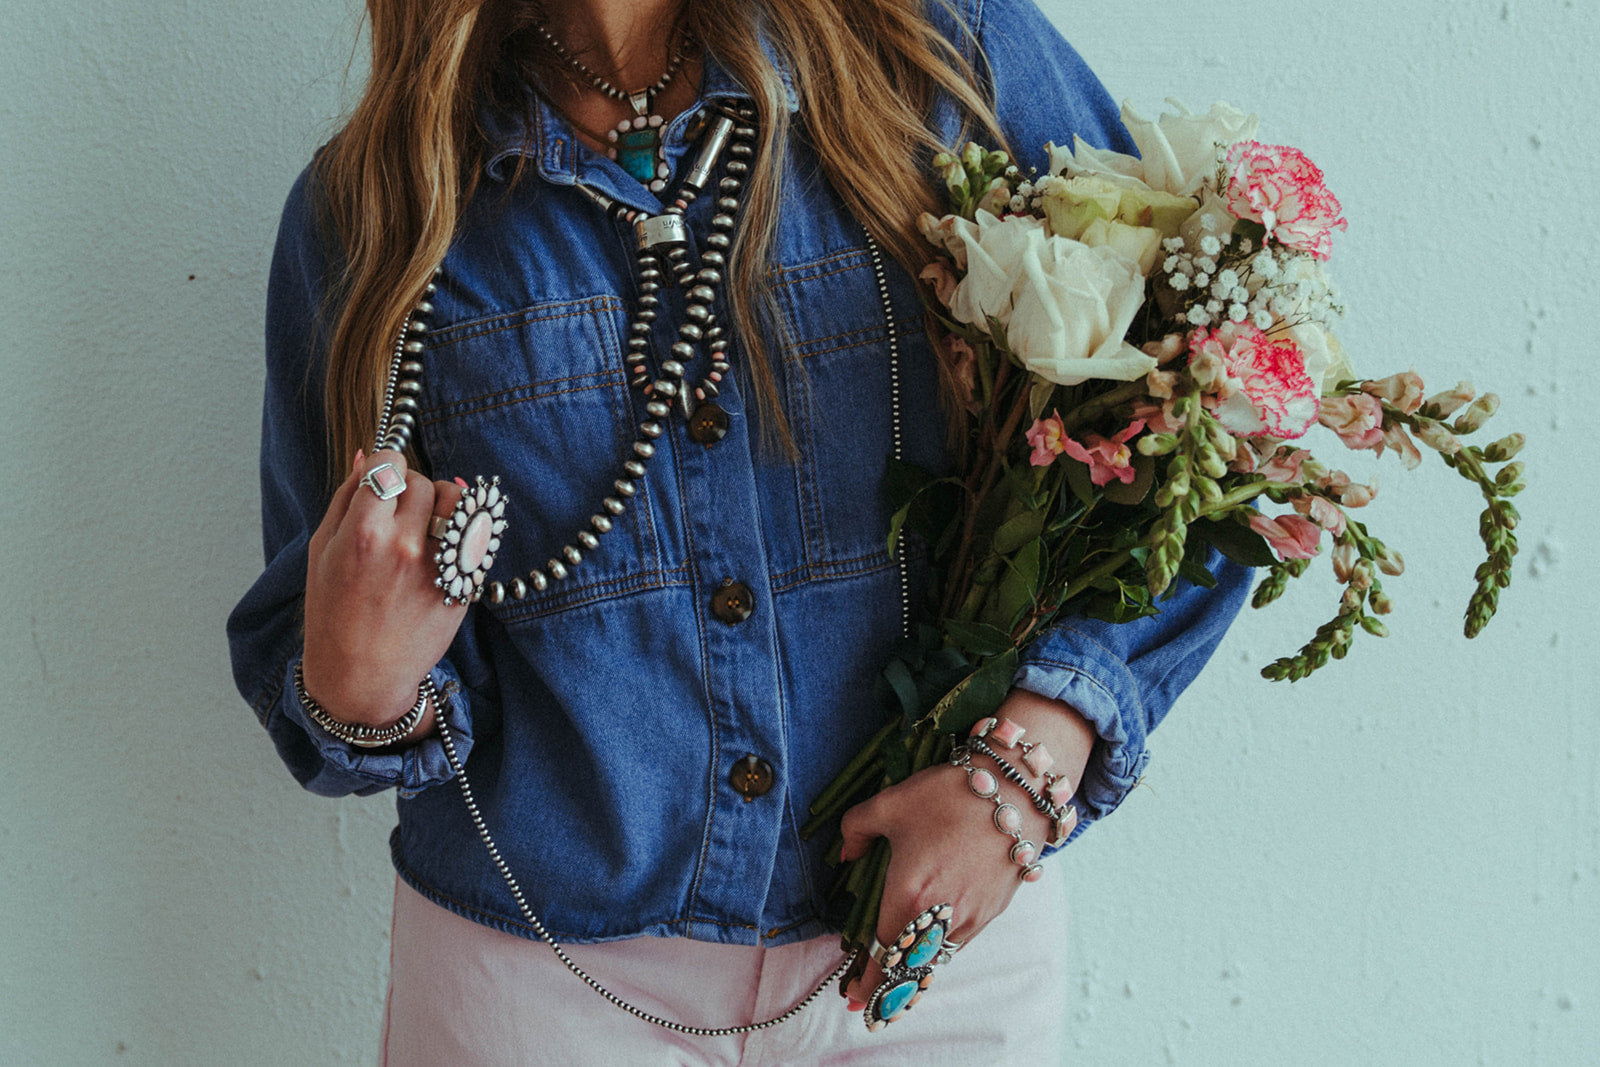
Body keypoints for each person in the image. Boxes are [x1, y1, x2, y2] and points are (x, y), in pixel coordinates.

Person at [227, 0, 1253, 1060]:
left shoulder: (942, 55)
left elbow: (1202, 422)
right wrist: (358, 690)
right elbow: (319, 676)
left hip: (928, 960)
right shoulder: (377, 206)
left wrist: (1023, 771)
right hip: (541, 984)